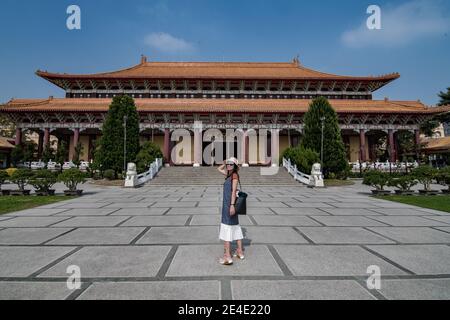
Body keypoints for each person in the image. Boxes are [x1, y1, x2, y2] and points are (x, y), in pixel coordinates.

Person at [217, 157, 245, 265]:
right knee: (235, 226)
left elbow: (233, 191)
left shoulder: (234, 176)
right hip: (229, 205)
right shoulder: (229, 175)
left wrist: (232, 205)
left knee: (226, 227)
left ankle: (227, 256)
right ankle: (239, 251)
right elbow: (218, 169)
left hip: (229, 205)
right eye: (228, 164)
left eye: (231, 164)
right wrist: (224, 163)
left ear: (235, 166)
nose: (228, 165)